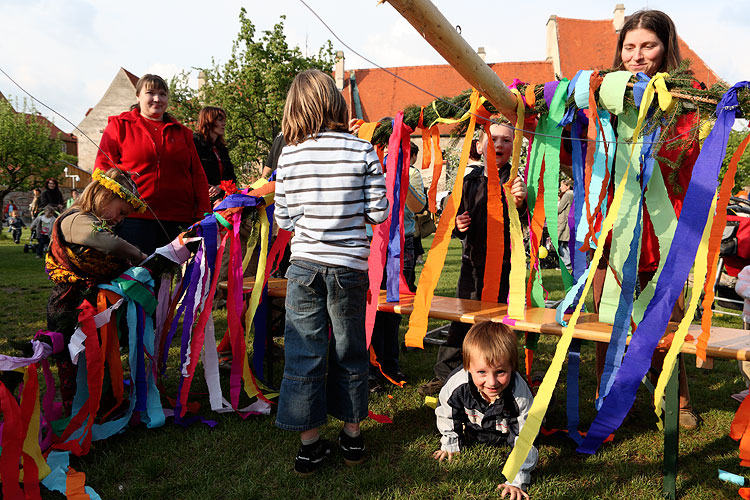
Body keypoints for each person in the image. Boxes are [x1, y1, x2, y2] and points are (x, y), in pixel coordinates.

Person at [274, 69, 388, 475]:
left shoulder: (288, 155)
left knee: (304, 349)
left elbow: (284, 219)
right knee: (349, 348)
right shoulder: (362, 150)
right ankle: (353, 437)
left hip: (303, 265)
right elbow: (379, 211)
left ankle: (309, 445)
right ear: (336, 104)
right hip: (349, 268)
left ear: (296, 107)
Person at [593, 9, 700, 429]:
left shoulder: (683, 105)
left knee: (664, 321)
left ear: (665, 49)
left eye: (648, 46)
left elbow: (684, 166)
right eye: (629, 47)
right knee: (605, 321)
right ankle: (608, 400)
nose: (637, 56)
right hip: (609, 232)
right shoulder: (599, 99)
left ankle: (677, 399)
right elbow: (580, 158)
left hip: (658, 233)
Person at [419, 118, 528, 396]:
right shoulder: (469, 181)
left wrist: (522, 203)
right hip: (472, 265)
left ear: (515, 146)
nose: (499, 144)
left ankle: (502, 374)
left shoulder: (516, 182)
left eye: (506, 140)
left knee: (500, 322)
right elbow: (457, 219)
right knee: (462, 319)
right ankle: (447, 373)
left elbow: (528, 222)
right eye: (493, 139)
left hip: (505, 267)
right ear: (479, 145)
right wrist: (459, 225)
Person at [45, 168, 147, 415]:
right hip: (70, 306)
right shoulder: (75, 219)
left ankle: (105, 403)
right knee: (79, 359)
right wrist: (140, 256)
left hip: (92, 305)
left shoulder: (91, 221)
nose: (121, 219)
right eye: (121, 211)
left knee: (101, 354)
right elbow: (106, 241)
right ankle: (85, 410)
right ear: (103, 196)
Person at [95, 74, 211, 255]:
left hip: (178, 220)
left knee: (171, 279)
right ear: (138, 96)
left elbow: (197, 174)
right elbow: (102, 170)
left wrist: (203, 213)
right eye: (150, 93)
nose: (157, 99)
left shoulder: (183, 133)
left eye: (163, 94)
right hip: (133, 219)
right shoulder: (119, 126)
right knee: (136, 276)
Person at [433, 321, 536, 500]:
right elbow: (447, 411)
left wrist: (517, 480)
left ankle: (539, 383)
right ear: (468, 367)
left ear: (512, 366)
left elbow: (525, 437)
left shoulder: (520, 396)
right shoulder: (458, 385)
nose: (492, 382)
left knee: (544, 411)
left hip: (506, 430)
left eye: (500, 372)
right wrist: (450, 442)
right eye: (482, 372)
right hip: (478, 428)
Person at [193, 106, 237, 205]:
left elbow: (231, 177)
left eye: (224, 120)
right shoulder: (194, 143)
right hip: (199, 201)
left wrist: (220, 187)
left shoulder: (221, 148)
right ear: (209, 121)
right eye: (220, 120)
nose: (224, 124)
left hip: (221, 199)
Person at [557, 179, 573, 270]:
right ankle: (568, 262)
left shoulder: (567, 195)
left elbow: (559, 209)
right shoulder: (572, 194)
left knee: (560, 243)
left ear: (567, 186)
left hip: (563, 222)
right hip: (568, 221)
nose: (560, 188)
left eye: (562, 186)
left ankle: (567, 263)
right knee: (565, 244)